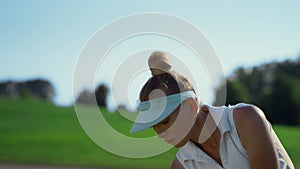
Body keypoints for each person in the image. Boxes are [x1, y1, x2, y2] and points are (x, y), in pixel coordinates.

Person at [130, 51, 295, 169]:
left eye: (165, 121)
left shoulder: (247, 120)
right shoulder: (182, 165)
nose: (160, 134)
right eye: (154, 125)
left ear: (190, 106)